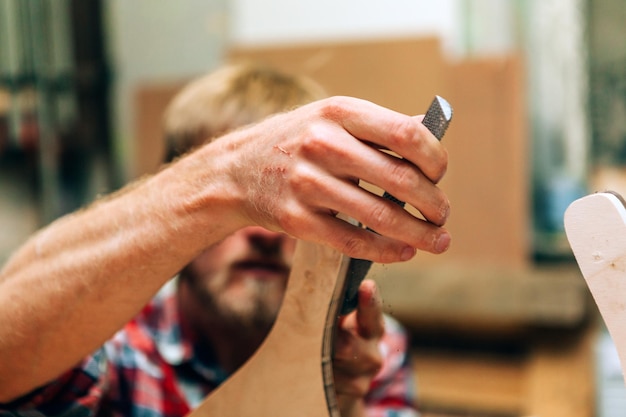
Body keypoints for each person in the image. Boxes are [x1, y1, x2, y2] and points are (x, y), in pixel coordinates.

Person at [0, 63, 451, 416]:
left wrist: (343, 403)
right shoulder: (114, 344)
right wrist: (226, 178)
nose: (264, 236)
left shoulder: (373, 351)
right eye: (234, 214)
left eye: (299, 206)